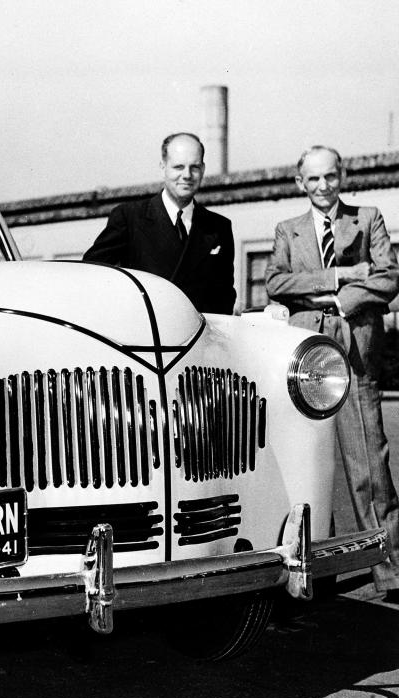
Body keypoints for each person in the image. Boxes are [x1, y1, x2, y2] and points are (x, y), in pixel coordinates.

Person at [265, 144, 399, 600]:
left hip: (357, 356)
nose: (323, 187)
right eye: (314, 179)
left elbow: (387, 276)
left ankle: (390, 572)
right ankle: (319, 574)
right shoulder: (288, 230)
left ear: (343, 176)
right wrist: (339, 275)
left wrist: (344, 300)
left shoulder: (369, 218)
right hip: (306, 363)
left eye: (331, 177)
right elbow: (277, 282)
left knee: (369, 468)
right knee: (309, 466)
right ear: (300, 182)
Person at [84, 132, 236, 314]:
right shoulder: (130, 217)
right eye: (178, 167)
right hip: (145, 334)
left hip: (196, 337)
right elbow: (91, 274)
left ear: (203, 169)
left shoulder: (219, 227)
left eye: (194, 167)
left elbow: (225, 296)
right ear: (163, 167)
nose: (187, 175)